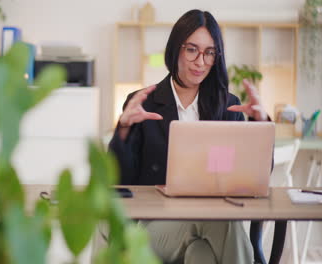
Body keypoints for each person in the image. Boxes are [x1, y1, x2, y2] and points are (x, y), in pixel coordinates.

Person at [108, 9, 270, 264]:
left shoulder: (229, 106)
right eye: (192, 49)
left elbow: (254, 178)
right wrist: (124, 129)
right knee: (222, 223)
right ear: (176, 50)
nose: (200, 61)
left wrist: (260, 126)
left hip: (209, 223)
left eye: (209, 52)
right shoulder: (145, 104)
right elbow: (118, 181)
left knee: (200, 254)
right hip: (155, 225)